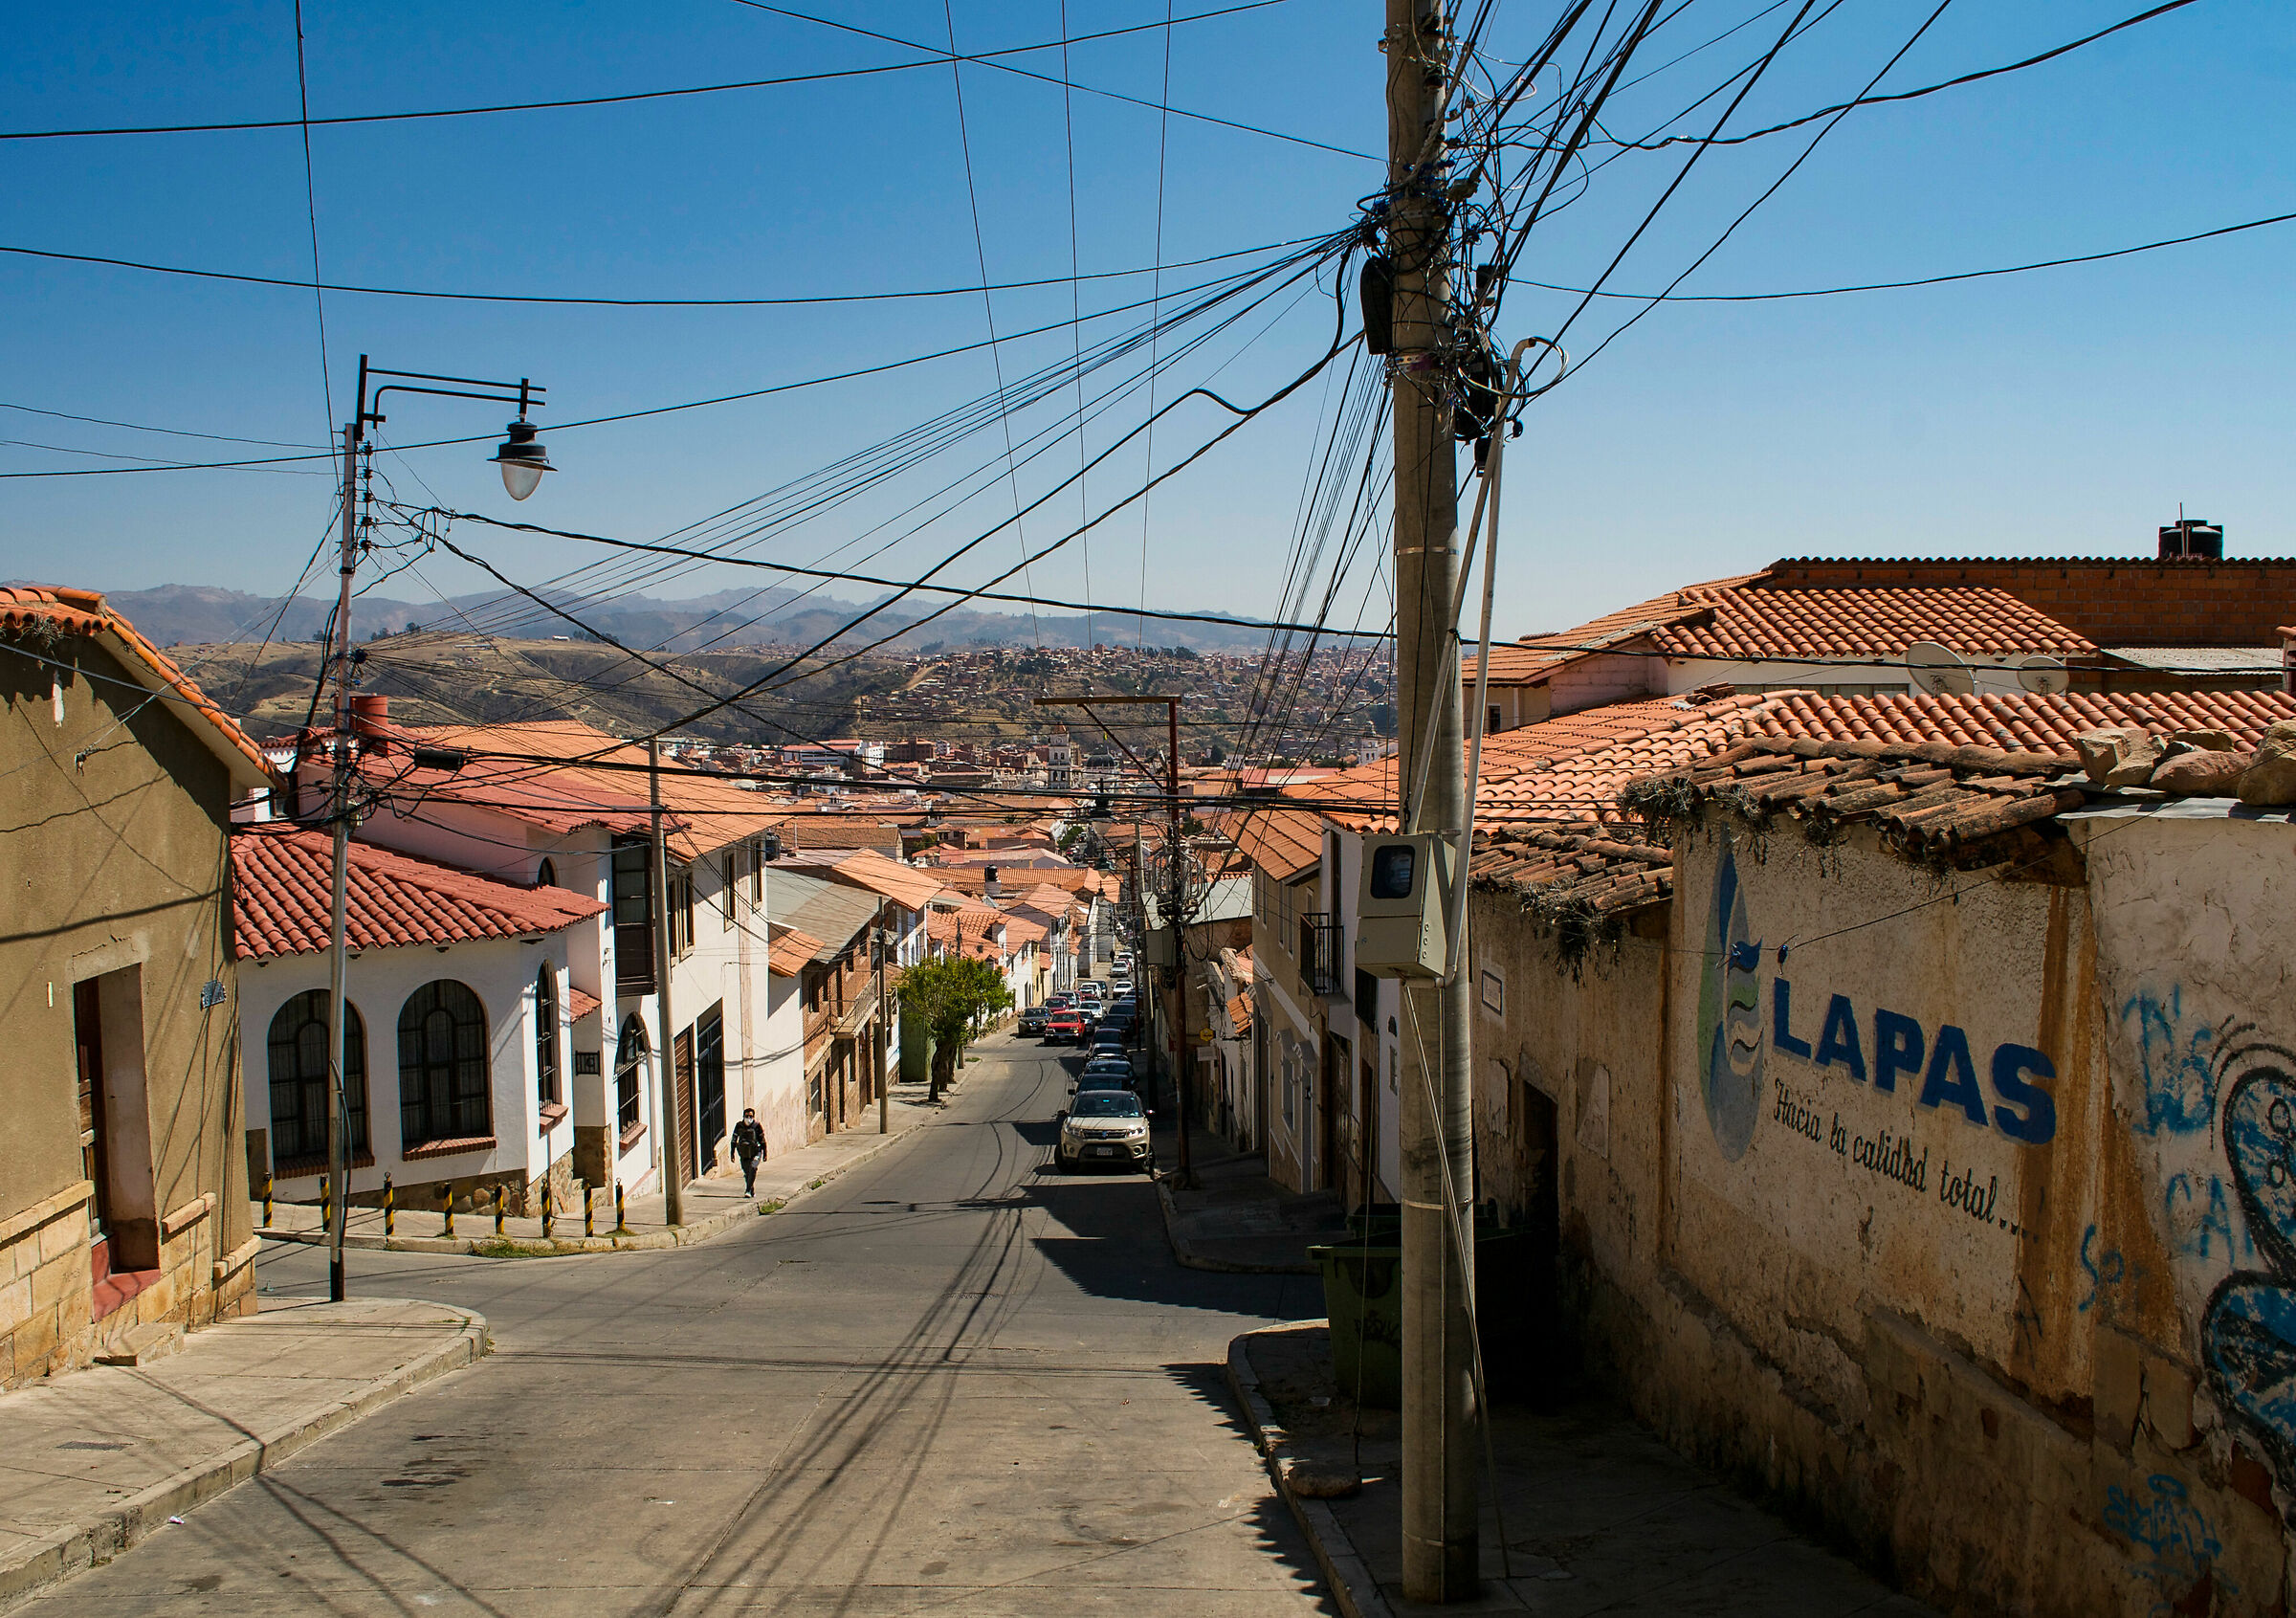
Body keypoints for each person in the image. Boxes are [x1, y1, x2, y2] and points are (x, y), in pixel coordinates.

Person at [731, 1108, 766, 1195]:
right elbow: (734, 1140)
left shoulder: (757, 1126)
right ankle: (751, 1188)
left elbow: (762, 1140)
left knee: (753, 1168)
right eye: (747, 1116)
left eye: (751, 1116)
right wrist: (732, 1153)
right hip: (744, 1153)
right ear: (743, 1116)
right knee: (747, 1172)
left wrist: (765, 1153)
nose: (749, 1118)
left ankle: (747, 1190)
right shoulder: (739, 1126)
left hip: (756, 1152)